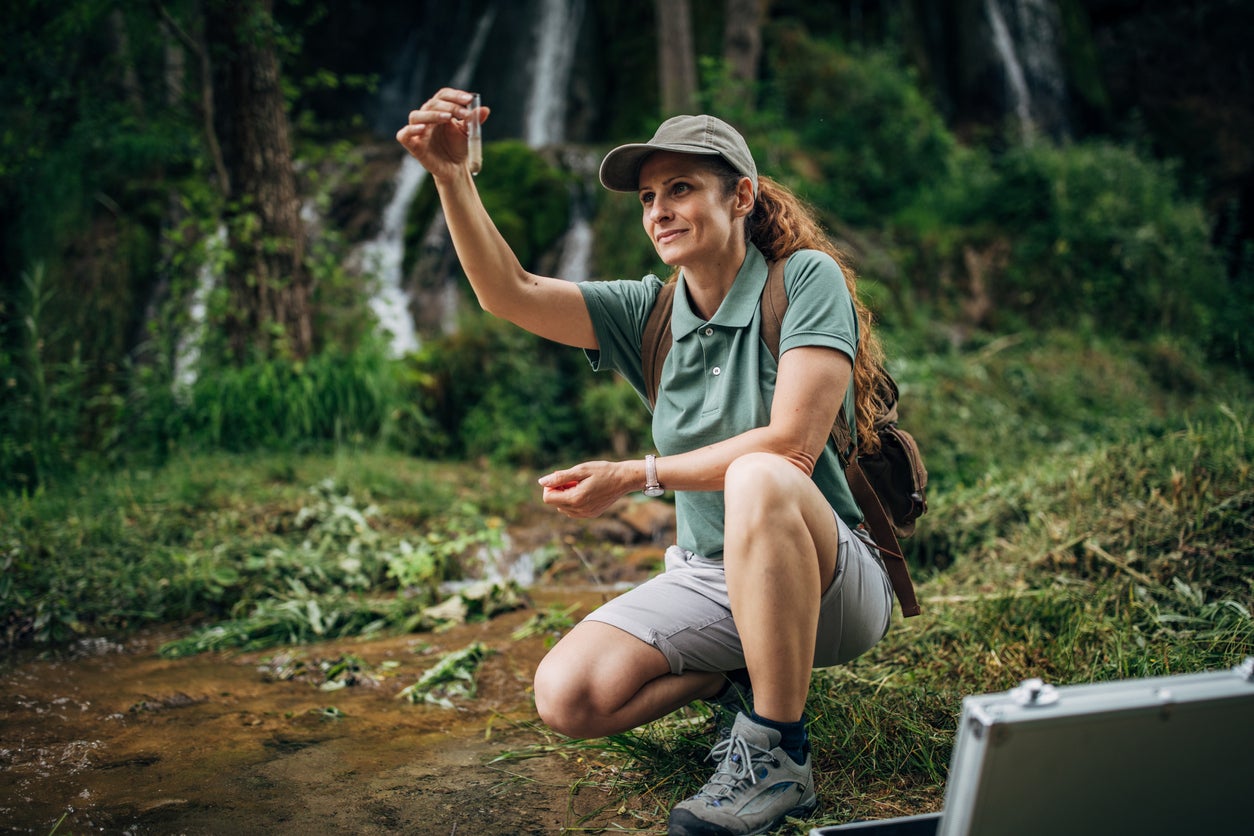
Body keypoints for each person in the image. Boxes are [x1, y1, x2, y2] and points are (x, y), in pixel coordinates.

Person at [397, 88, 894, 836]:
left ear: (743, 196)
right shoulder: (648, 314)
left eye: (682, 188)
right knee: (567, 696)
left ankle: (777, 757)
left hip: (832, 581)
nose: (658, 209)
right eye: (649, 196)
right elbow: (511, 292)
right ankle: (743, 676)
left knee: (761, 473)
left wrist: (639, 474)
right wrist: (450, 177)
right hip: (711, 575)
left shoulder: (804, 280)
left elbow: (792, 442)